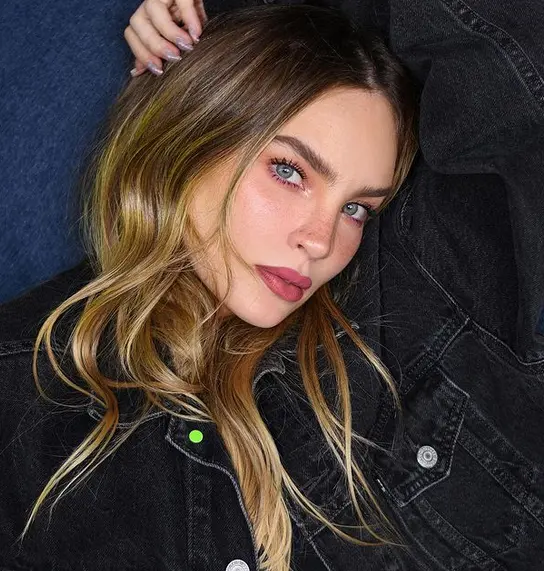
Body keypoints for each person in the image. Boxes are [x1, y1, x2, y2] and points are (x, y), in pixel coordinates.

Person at [0, 5, 418, 571]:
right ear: (192, 135)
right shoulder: (24, 394)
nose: (321, 241)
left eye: (355, 208)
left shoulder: (363, 356)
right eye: (289, 171)